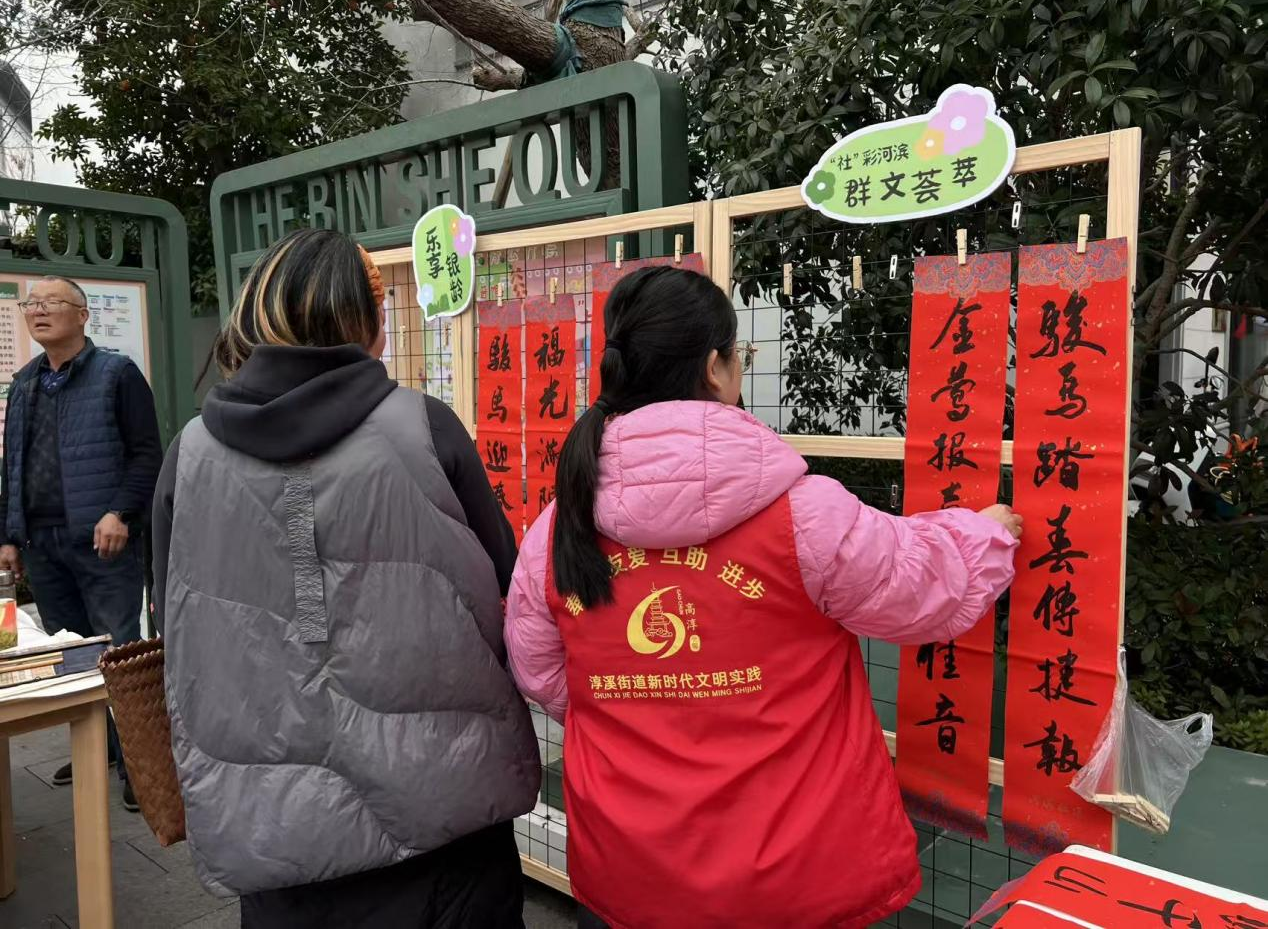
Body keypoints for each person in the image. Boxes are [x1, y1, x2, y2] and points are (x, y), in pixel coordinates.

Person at [505, 267, 1022, 929]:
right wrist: (985, 534)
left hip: (628, 874)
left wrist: (648, 704)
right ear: (715, 367)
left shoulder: (556, 530)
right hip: (792, 881)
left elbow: (544, 674)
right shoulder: (804, 515)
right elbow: (920, 584)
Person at [150, 228, 540, 928]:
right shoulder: (424, 428)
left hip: (272, 829)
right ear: (365, 321)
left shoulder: (189, 453)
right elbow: (507, 587)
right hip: (442, 815)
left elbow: (173, 623)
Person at [0, 275, 162, 812]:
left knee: (119, 653)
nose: (38, 311)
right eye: (32, 304)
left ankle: (142, 767)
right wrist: (8, 535)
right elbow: (12, 465)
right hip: (43, 545)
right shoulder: (24, 382)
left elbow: (146, 453)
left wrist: (121, 512)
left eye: (51, 302)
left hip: (103, 541)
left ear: (82, 314)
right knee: (71, 656)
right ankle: (102, 751)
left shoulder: (116, 373)